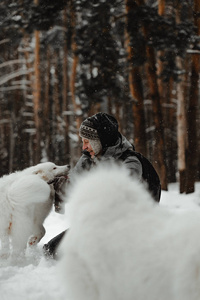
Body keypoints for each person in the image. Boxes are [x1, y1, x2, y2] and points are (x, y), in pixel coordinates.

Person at [43, 112, 161, 259]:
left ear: (101, 141)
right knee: (51, 250)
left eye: (87, 142)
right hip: (99, 224)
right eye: (83, 141)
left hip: (132, 227)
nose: (84, 147)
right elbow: (72, 184)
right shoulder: (90, 158)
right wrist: (51, 186)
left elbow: (118, 196)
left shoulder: (130, 162)